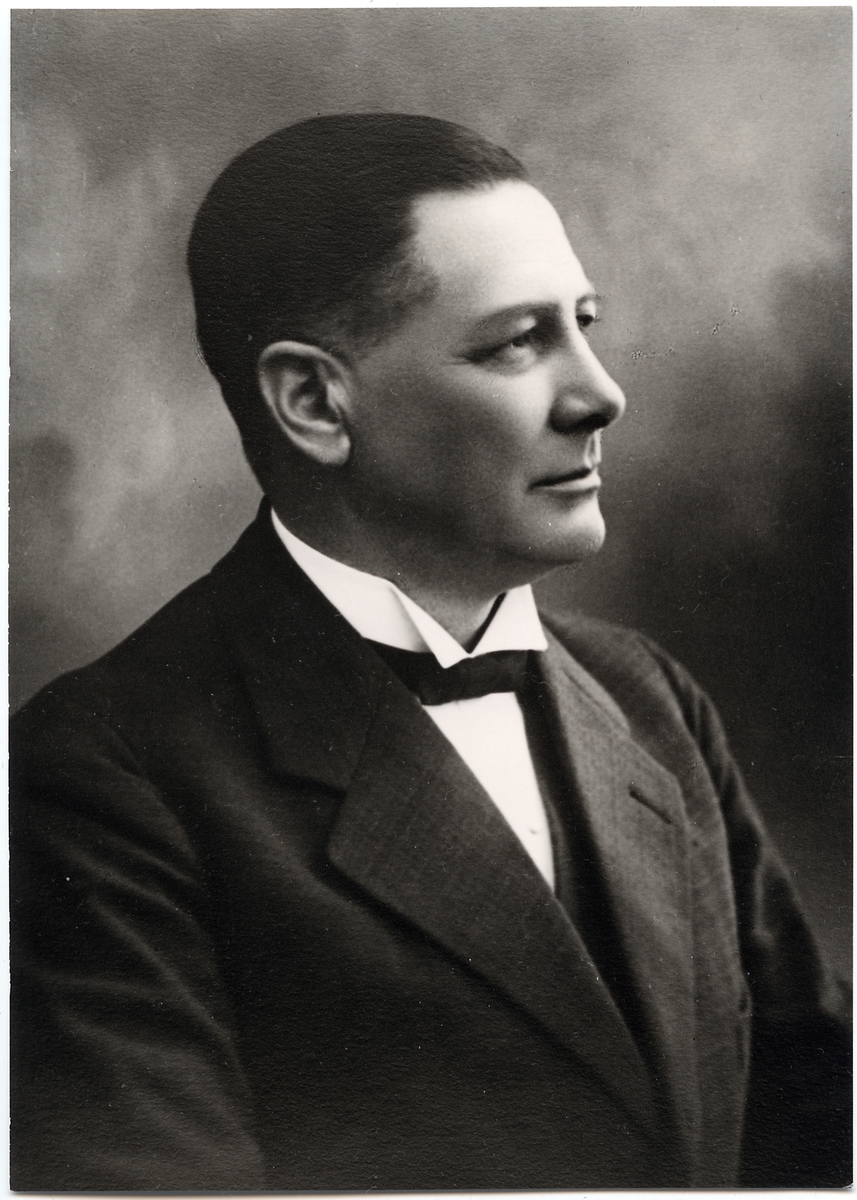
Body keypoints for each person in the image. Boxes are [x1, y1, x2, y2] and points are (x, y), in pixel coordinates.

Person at [10, 113, 850, 1191]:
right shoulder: (104, 777)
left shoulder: (648, 699)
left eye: (584, 323)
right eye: (516, 343)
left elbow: (815, 1122)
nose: (600, 393)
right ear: (313, 402)